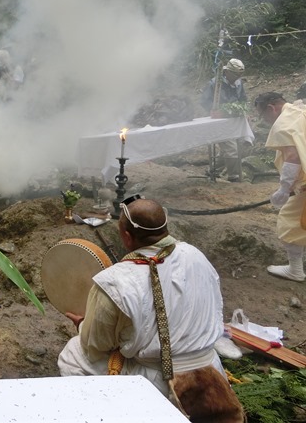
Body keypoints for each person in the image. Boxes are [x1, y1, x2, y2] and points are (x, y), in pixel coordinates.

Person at [58, 196, 244, 421]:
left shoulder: (114, 281)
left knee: (72, 353)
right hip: (210, 369)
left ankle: (106, 413)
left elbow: (96, 345)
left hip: (159, 380)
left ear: (126, 237)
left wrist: (82, 325)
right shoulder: (196, 255)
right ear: (165, 228)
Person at [254, 92, 306, 282]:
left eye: (263, 115)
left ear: (271, 108)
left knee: (289, 222)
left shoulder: (283, 122)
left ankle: (295, 270)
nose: (265, 120)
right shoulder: (299, 110)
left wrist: (284, 189)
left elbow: (293, 157)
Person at [199, 58, 247, 182]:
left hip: (234, 119)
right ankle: (234, 176)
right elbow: (204, 101)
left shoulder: (239, 83)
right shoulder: (215, 83)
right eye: (236, 74)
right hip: (219, 121)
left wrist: (243, 110)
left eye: (240, 75)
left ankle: (214, 169)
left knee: (233, 147)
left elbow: (243, 98)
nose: (238, 77)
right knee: (231, 148)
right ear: (228, 72)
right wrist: (215, 110)